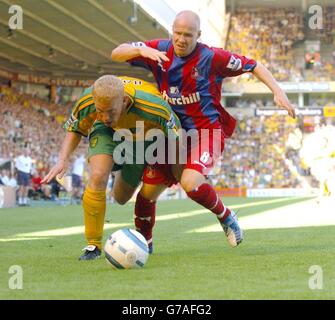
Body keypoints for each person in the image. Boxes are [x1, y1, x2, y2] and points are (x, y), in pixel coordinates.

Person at [111, 10, 296, 251]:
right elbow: (116, 52)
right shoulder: (159, 50)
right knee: (145, 196)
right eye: (177, 33)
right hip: (172, 137)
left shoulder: (213, 57)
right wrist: (140, 50)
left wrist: (278, 91)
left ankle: (226, 216)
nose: (181, 39)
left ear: (199, 35)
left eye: (188, 35)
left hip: (206, 133)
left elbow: (254, 65)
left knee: (191, 183)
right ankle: (144, 246)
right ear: (171, 32)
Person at [42, 75, 180, 260]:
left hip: (141, 137)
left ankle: (121, 164)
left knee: (121, 198)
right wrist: (63, 159)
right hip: (105, 133)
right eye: (100, 111)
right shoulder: (88, 101)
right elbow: (75, 128)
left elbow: (177, 140)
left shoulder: (154, 106)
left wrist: (176, 171)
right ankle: (93, 245)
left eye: (111, 111)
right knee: (98, 175)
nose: (105, 117)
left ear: (124, 101)